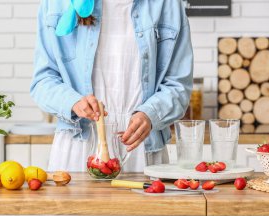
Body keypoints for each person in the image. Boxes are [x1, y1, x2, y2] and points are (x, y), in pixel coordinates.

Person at [31, 0, 193, 172]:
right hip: (78, 145)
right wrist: (73, 102)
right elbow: (43, 81)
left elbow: (179, 84)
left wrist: (150, 114)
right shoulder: (56, 4)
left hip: (142, 147)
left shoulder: (167, 4)